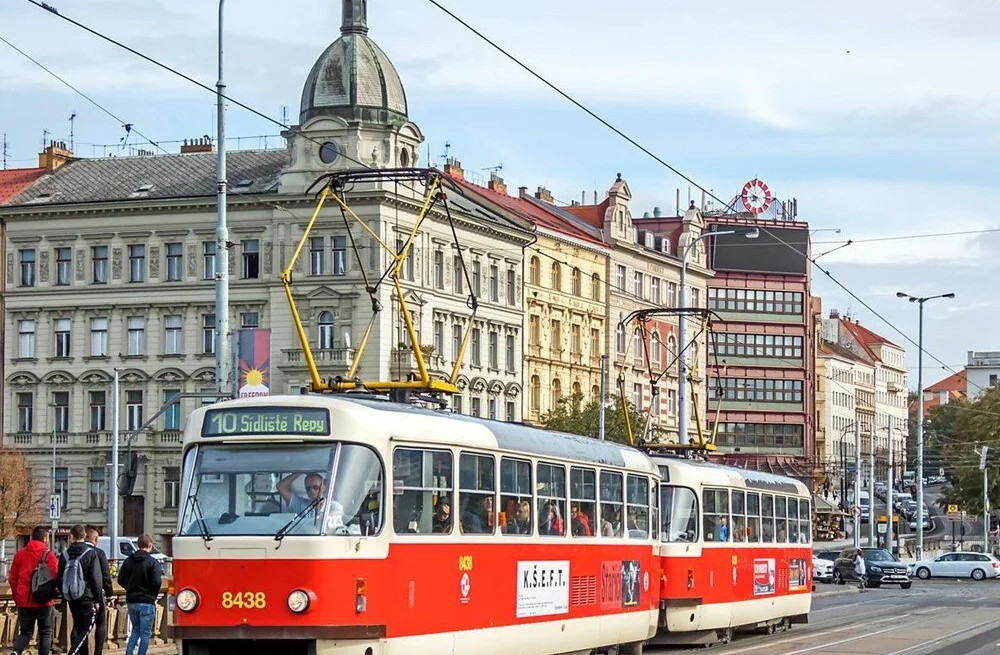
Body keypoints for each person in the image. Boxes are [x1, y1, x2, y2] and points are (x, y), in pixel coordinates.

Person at [57, 524, 106, 655]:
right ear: (84, 536)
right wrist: (97, 599)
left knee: (79, 628)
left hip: (72, 597)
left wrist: (65, 594)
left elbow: (59, 578)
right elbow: (96, 579)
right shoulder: (91, 554)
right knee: (84, 631)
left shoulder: (64, 555)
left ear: (71, 537)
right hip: (87, 597)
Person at [9, 526, 59, 655]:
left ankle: (16, 652)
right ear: (45, 538)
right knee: (45, 632)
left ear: (32, 538)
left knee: (25, 631)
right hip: (43, 600)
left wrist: (17, 597)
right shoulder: (49, 555)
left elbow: (12, 579)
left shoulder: (19, 555)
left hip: (24, 600)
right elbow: (55, 577)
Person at [117, 534, 163, 655]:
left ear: (137, 545)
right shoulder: (153, 562)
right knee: (145, 633)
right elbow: (157, 582)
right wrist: (152, 594)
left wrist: (130, 588)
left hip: (132, 600)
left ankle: (129, 652)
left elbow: (120, 579)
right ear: (150, 545)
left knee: (135, 630)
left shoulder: (128, 561)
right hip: (147, 600)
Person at [85, 526, 114, 655]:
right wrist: (110, 595)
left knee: (79, 626)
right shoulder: (99, 553)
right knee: (101, 623)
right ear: (95, 539)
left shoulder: (71, 551)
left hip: (77, 594)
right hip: (96, 594)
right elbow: (105, 576)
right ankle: (98, 652)